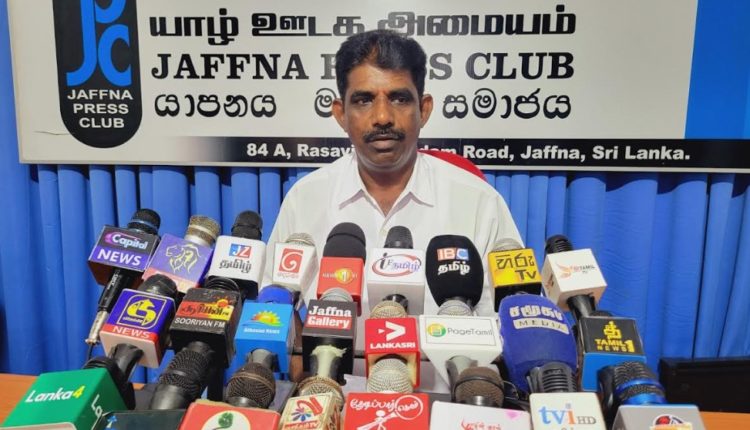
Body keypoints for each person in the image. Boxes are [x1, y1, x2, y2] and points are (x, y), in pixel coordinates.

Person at [261, 29, 521, 350]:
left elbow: (509, 322)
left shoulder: (479, 201)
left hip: (446, 380)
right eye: (364, 100)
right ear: (341, 114)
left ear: (424, 109)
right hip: (331, 379)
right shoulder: (305, 199)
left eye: (399, 98)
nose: (382, 117)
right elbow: (273, 313)